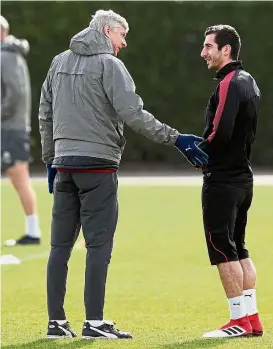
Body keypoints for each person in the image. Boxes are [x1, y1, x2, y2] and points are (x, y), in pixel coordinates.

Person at [39, 9, 208, 339]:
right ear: (106, 31)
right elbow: (133, 112)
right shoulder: (109, 65)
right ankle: (95, 323)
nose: (124, 43)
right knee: (98, 246)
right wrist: (175, 138)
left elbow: (45, 112)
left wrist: (50, 159)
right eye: (121, 35)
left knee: (59, 246)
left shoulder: (58, 62)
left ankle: (56, 324)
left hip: (65, 166)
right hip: (98, 166)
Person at [198, 24, 263, 338]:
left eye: (209, 46)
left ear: (226, 50)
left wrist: (200, 154)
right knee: (239, 249)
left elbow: (220, 132)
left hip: (222, 181)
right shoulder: (250, 81)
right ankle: (251, 318)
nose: (203, 53)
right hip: (243, 179)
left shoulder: (229, 82)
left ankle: (237, 320)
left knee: (223, 250)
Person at [1, 15, 41, 246]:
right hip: (9, 127)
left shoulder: (7, 56)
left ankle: (33, 233)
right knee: (18, 179)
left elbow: (15, 93)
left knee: (19, 178)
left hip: (10, 129)